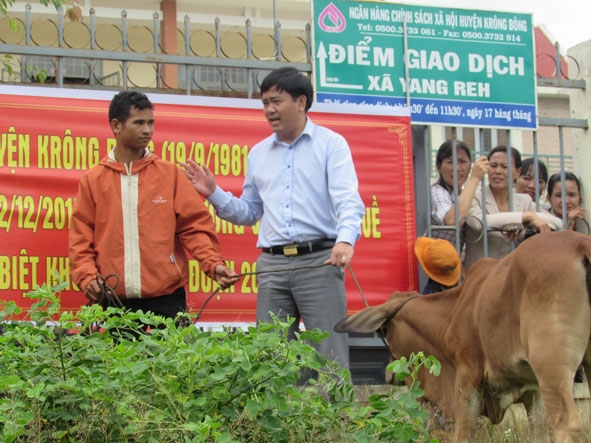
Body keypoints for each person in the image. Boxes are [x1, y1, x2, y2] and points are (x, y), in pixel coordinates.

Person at [182, 67, 365, 371]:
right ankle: (278, 416)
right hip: (272, 266)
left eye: (276, 101)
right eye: (265, 103)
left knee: (328, 351)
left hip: (318, 261)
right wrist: (213, 192)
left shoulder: (332, 145)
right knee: (272, 352)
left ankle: (336, 417)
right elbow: (249, 212)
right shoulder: (258, 154)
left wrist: (345, 240)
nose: (269, 110)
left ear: (301, 102)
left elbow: (348, 200)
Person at [69, 91, 239, 323]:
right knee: (122, 360)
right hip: (115, 298)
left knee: (172, 359)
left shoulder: (170, 174)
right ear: (116, 126)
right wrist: (87, 277)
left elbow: (194, 228)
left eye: (151, 123)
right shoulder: (94, 179)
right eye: (139, 123)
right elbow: (81, 237)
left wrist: (213, 264)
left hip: (168, 296)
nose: (147, 130)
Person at [463, 145, 562, 270]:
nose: (497, 171)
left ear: (518, 172)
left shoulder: (524, 201)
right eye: (493, 166)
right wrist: (525, 217)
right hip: (479, 279)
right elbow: (479, 222)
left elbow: (558, 223)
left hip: (511, 279)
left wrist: (527, 222)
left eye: (504, 167)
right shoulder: (474, 197)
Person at [426, 139, 488, 293]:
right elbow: (452, 220)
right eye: (450, 162)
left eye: (463, 161)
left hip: (464, 273)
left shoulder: (465, 194)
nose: (457, 168)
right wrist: (474, 179)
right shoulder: (437, 191)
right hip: (441, 274)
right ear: (439, 167)